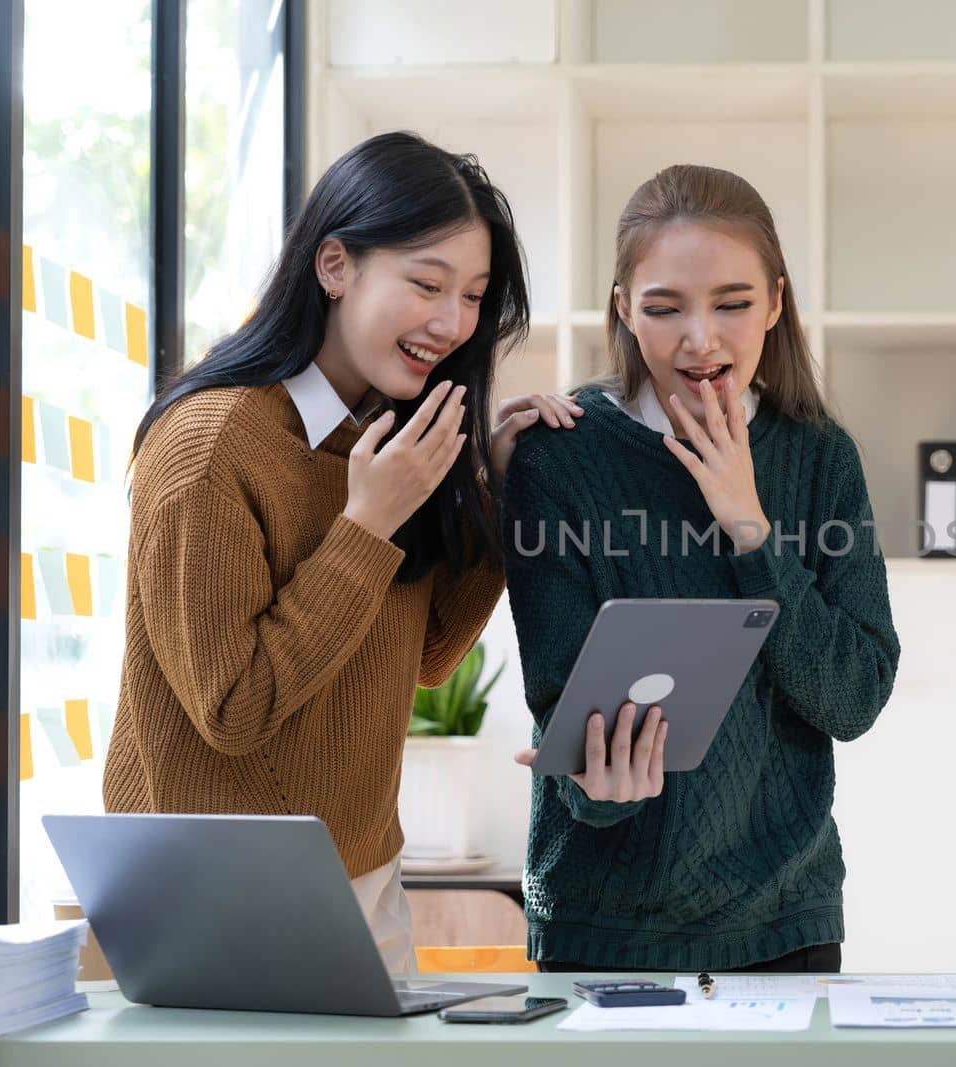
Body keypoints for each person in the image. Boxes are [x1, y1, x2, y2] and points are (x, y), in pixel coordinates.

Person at [102, 131, 581, 972]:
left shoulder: (392, 439)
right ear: (335, 266)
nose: (451, 322)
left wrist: (498, 498)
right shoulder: (211, 447)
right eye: (427, 284)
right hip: (215, 891)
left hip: (364, 870)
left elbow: (427, 657)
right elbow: (233, 711)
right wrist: (365, 528)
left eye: (472, 296)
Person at [503, 164, 900, 972]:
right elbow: (562, 701)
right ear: (623, 309)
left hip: (784, 922)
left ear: (777, 303)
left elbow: (853, 697)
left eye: (732, 303)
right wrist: (594, 786)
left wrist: (749, 525)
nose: (700, 339)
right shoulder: (560, 459)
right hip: (602, 926)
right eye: (663, 307)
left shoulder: (820, 459)